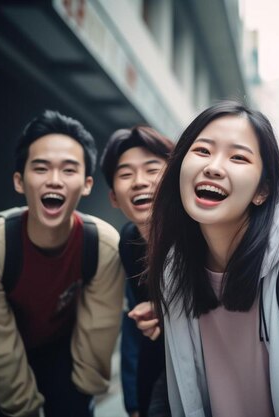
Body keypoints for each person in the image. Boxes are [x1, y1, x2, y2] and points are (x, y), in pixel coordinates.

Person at [139, 100, 279, 417]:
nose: (214, 167)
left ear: (262, 190)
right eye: (203, 151)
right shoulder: (174, 271)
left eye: (238, 157)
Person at [0, 110, 124, 417]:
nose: (54, 180)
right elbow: (0, 350)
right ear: (19, 181)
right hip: (6, 348)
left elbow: (97, 336)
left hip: (64, 349)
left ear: (87, 184)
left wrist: (81, 397)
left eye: (69, 170)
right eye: (41, 168)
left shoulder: (102, 246)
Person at [100, 125, 174, 417]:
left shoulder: (201, 235)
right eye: (126, 174)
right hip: (158, 377)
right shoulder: (129, 242)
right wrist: (133, 402)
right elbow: (135, 325)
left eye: (152, 169)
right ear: (114, 198)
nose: (139, 182)